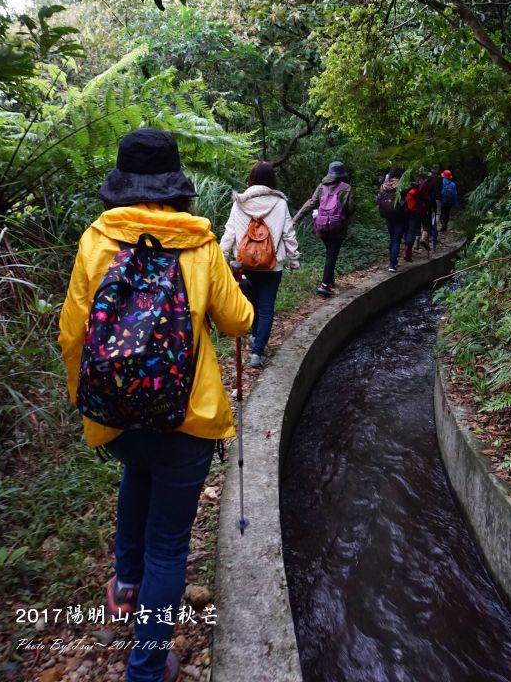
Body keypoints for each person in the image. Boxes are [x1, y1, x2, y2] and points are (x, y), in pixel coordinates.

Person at [58, 129, 254, 682]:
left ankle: (124, 586)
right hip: (188, 420)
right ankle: (146, 669)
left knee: (136, 476)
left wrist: (89, 405)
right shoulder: (200, 244)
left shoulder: (97, 240)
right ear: (176, 188)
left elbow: (71, 335)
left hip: (117, 413)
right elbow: (238, 321)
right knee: (169, 547)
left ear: (121, 184)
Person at [220, 160, 300, 368]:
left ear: (251, 179)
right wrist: (294, 259)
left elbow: (229, 233)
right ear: (272, 180)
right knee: (266, 307)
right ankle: (257, 351)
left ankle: (256, 338)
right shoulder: (280, 203)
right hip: (272, 266)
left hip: (245, 264)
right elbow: (288, 234)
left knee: (252, 304)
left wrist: (222, 256)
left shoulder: (240, 202)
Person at [294, 160, 354, 297]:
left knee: (330, 253)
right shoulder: (346, 188)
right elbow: (350, 208)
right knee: (331, 255)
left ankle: (330, 281)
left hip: (321, 226)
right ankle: (325, 285)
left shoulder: (322, 187)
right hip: (337, 227)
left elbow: (311, 203)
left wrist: (296, 219)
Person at [376, 167, 408, 271]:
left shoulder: (384, 185)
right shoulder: (402, 186)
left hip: (388, 215)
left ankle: (392, 261)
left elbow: (377, 200)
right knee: (396, 240)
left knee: (392, 238)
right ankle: (392, 264)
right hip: (400, 216)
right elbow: (404, 201)